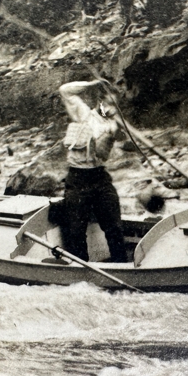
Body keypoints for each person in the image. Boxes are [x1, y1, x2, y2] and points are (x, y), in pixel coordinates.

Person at [56, 79, 128, 263]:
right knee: (76, 230)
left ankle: (120, 264)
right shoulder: (83, 114)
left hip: (99, 177)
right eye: (108, 103)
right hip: (77, 178)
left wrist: (118, 128)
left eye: (114, 105)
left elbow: (118, 138)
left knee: (114, 226)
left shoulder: (113, 124)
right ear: (99, 101)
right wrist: (93, 83)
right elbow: (65, 90)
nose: (110, 108)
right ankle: (82, 269)